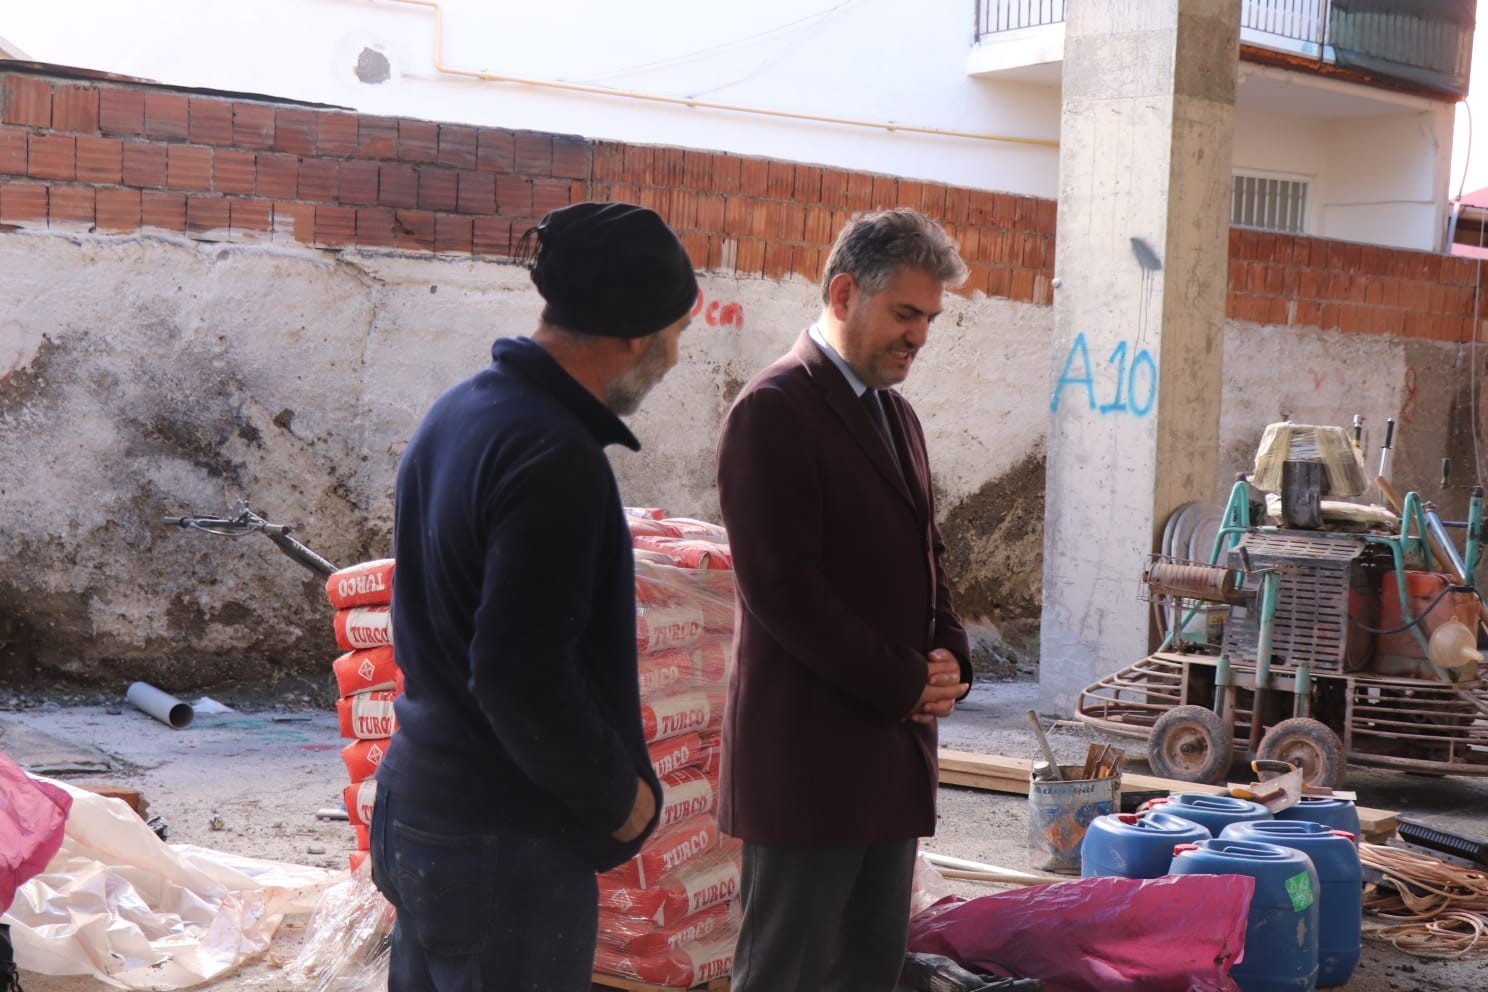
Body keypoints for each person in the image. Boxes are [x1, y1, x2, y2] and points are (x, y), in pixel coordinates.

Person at [370, 201, 697, 992]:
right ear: (635, 334)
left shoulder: (462, 411)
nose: (676, 357)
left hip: (423, 809)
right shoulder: (554, 456)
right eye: (675, 333)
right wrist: (617, 798)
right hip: (501, 842)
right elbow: (520, 674)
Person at [716, 207, 973, 992]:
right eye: (904, 314)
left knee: (868, 970)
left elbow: (926, 553)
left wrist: (951, 654)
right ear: (842, 294)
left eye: (928, 319)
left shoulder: (897, 416)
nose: (918, 336)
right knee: (787, 974)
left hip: (889, 760)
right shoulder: (774, 409)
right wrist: (905, 680)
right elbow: (782, 590)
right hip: (809, 763)